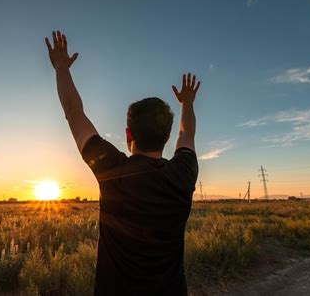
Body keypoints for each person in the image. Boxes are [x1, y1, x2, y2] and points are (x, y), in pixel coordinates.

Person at [45, 31, 200, 296]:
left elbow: (73, 112)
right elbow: (187, 134)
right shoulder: (183, 172)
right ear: (166, 137)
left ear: (128, 134)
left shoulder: (113, 170)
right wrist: (186, 103)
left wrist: (61, 67)